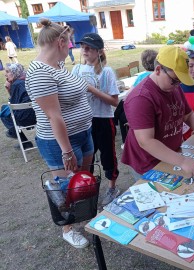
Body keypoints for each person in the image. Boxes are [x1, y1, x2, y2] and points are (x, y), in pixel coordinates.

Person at [25, 19, 93, 249]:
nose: (72, 46)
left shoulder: (58, 65)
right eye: (71, 42)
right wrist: (66, 152)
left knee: (81, 182)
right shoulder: (39, 73)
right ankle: (67, 228)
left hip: (83, 133)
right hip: (61, 142)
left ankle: (83, 215)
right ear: (61, 42)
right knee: (64, 187)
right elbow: (54, 116)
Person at [121, 45, 194, 180]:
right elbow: (146, 141)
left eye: (179, 81)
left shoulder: (173, 87)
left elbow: (189, 115)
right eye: (174, 80)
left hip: (171, 155)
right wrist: (183, 161)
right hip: (147, 164)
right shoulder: (140, 98)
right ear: (158, 70)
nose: (177, 85)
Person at [72, 33, 120, 206]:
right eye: (83, 46)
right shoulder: (76, 70)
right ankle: (87, 190)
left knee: (108, 156)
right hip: (84, 121)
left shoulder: (106, 72)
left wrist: (92, 89)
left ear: (99, 51)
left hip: (103, 120)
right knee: (87, 159)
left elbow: (115, 101)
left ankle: (112, 187)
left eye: (89, 47)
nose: (84, 50)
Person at [114, 49, 158, 148]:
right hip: (151, 108)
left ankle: (124, 140)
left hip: (140, 111)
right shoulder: (159, 75)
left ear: (143, 63)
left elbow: (129, 95)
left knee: (122, 110)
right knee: (122, 106)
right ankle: (114, 120)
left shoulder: (141, 77)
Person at [1, 63, 36, 149]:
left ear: (15, 72)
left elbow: (13, 104)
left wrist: (9, 89)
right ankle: (18, 136)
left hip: (26, 118)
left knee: (3, 114)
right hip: (38, 114)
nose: (5, 74)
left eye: (8, 72)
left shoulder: (17, 84)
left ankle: (21, 139)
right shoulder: (28, 79)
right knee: (5, 109)